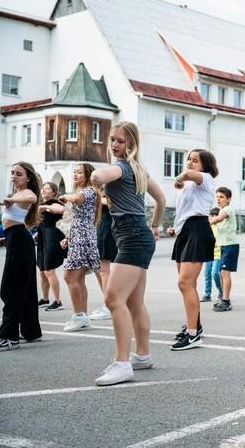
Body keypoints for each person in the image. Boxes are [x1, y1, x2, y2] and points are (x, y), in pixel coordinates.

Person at [90, 121, 166, 385]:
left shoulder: (122, 166)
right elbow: (162, 200)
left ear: (131, 144)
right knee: (133, 302)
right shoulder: (139, 169)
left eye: (120, 141)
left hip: (132, 236)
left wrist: (95, 178)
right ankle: (142, 355)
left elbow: (98, 177)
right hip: (135, 234)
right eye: (112, 140)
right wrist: (155, 226)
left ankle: (122, 364)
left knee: (112, 299)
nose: (114, 145)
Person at [167, 149, 218, 350]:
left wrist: (180, 178)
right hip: (186, 231)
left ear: (204, 166)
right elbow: (185, 211)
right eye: (188, 159)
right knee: (186, 285)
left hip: (198, 230)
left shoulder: (205, 178)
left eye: (195, 160)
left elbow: (187, 175)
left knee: (185, 282)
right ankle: (194, 325)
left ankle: (193, 334)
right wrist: (176, 227)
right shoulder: (188, 186)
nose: (189, 162)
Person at [0, 162, 42, 351]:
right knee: (25, 288)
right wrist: (4, 239)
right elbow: (15, 222)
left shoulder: (24, 194)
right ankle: (31, 331)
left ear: (28, 178)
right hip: (15, 239)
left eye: (19, 173)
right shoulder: (16, 194)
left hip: (19, 242)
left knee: (11, 289)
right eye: (12, 173)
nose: (14, 176)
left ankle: (9, 337)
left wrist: (11, 201)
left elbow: (31, 196)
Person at [59, 163, 102, 332]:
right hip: (80, 235)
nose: (75, 175)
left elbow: (77, 199)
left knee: (70, 276)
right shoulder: (85, 192)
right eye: (74, 172)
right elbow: (80, 218)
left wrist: (65, 196)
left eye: (79, 172)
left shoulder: (89, 191)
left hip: (83, 236)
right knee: (78, 278)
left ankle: (79, 316)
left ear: (88, 175)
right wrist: (69, 238)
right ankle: (81, 315)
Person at [36, 182, 67, 311]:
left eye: (47, 188)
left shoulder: (55, 202)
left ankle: (57, 301)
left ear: (53, 192)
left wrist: (43, 207)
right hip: (42, 235)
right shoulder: (41, 204)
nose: (43, 190)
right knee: (42, 271)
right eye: (43, 188)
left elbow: (60, 209)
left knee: (49, 270)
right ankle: (44, 299)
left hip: (52, 236)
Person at [209, 187, 238, 312]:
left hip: (230, 245)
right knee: (222, 273)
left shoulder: (227, 209)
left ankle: (226, 301)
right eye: (217, 197)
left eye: (221, 197)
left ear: (228, 199)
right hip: (223, 245)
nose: (218, 199)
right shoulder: (222, 209)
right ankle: (224, 298)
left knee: (225, 273)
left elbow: (219, 218)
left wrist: (206, 221)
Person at [88, 190, 115, 321]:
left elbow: (112, 203)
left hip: (106, 230)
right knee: (99, 271)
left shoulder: (112, 191)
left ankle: (109, 306)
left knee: (104, 271)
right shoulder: (101, 192)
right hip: (99, 229)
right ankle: (107, 303)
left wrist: (98, 198)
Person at [203, 207, 223, 303]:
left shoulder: (220, 227)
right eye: (211, 215)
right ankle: (207, 294)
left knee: (215, 273)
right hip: (208, 254)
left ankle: (221, 291)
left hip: (218, 254)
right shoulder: (207, 227)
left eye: (215, 215)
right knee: (207, 274)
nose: (212, 217)